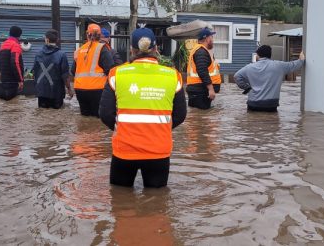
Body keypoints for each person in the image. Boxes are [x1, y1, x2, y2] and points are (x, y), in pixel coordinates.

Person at [99, 28, 187, 188]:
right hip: (158, 150)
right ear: (155, 49)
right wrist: (160, 129)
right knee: (157, 204)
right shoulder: (173, 76)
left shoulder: (116, 74)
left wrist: (123, 129)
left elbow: (105, 113)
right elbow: (180, 115)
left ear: (132, 49)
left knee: (120, 202)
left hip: (124, 150)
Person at [233, 45, 305, 112]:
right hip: (270, 104)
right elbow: (294, 65)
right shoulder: (279, 66)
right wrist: (301, 59)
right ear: (270, 55)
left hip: (253, 103)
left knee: (253, 123)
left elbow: (236, 76)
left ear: (258, 55)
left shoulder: (249, 67)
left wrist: (247, 87)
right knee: (270, 123)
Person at [71, 24, 114, 117]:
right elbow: (110, 69)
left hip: (79, 89)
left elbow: (73, 71)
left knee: (85, 118)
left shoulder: (79, 50)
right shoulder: (102, 48)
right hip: (97, 89)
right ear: (99, 35)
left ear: (87, 35)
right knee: (97, 119)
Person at [31, 29, 73, 109]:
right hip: (56, 92)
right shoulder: (62, 55)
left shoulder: (38, 54)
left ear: (46, 39)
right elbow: (65, 75)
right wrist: (69, 89)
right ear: (57, 40)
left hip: (41, 92)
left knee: (42, 116)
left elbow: (34, 73)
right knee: (57, 117)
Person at [186, 28, 221, 110]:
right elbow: (202, 71)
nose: (212, 39)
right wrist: (211, 89)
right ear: (207, 39)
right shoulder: (201, 52)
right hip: (200, 91)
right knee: (201, 119)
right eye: (211, 37)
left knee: (198, 117)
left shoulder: (201, 50)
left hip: (199, 90)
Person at [0, 26, 25, 100]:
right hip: (13, 80)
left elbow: (1, 63)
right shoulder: (15, 45)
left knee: (8, 102)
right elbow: (15, 63)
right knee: (14, 105)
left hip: (4, 78)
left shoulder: (3, 45)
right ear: (19, 36)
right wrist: (20, 80)